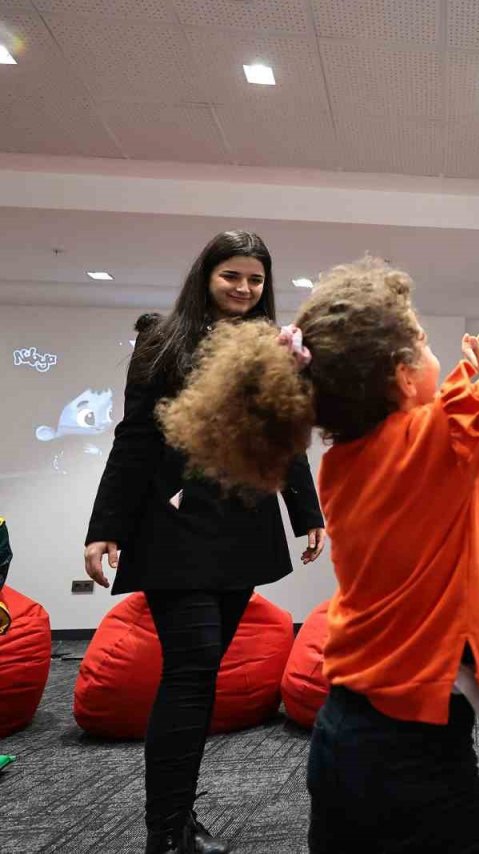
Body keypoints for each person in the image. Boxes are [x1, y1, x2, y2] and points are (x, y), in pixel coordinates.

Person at [159, 220, 479, 853]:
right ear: (403, 379)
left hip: (344, 730)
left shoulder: (345, 460)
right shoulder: (439, 444)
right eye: (424, 343)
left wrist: (467, 379)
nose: (436, 354)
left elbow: (444, 425)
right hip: (415, 751)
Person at [83, 231, 326, 854]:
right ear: (205, 277)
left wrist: (306, 511)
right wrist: (105, 526)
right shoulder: (162, 341)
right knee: (191, 673)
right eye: (231, 277)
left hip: (239, 527)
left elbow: (286, 436)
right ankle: (165, 833)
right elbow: (135, 438)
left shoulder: (273, 347)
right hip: (172, 530)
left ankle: (177, 818)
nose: (244, 289)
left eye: (255, 279)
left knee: (202, 674)